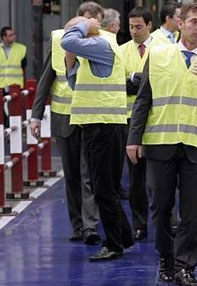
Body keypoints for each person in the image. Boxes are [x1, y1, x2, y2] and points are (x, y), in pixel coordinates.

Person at [127, 4, 197, 285]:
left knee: (192, 211)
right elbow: (143, 99)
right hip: (160, 143)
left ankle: (185, 266)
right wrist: (134, 138)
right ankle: (166, 260)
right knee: (160, 207)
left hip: (195, 145)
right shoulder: (158, 56)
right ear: (180, 23)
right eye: (193, 21)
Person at [29, 1, 102, 245]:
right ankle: (78, 225)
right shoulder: (59, 42)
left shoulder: (99, 43)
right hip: (65, 119)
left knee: (88, 174)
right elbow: (45, 80)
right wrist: (36, 115)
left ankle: (91, 225)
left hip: (90, 118)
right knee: (71, 176)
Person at [61, 15, 133, 261]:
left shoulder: (100, 44)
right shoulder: (96, 48)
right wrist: (71, 65)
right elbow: (76, 86)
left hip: (104, 126)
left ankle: (114, 245)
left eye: (75, 28)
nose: (72, 32)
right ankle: (124, 235)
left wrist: (81, 28)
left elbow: (67, 41)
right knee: (107, 187)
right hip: (99, 126)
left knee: (104, 189)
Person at [120, 6, 155, 241]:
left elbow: (160, 82)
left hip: (157, 118)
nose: (134, 31)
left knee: (161, 176)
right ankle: (140, 224)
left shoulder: (163, 50)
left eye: (139, 27)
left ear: (150, 26)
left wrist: (134, 79)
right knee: (135, 177)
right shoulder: (121, 51)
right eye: (131, 27)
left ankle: (168, 220)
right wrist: (138, 81)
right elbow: (118, 84)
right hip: (130, 119)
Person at [0, 26, 26, 91]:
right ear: (4, 37)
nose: (14, 37)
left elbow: (24, 68)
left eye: (14, 34)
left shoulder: (21, 48)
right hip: (1, 86)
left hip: (15, 85)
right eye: (11, 35)